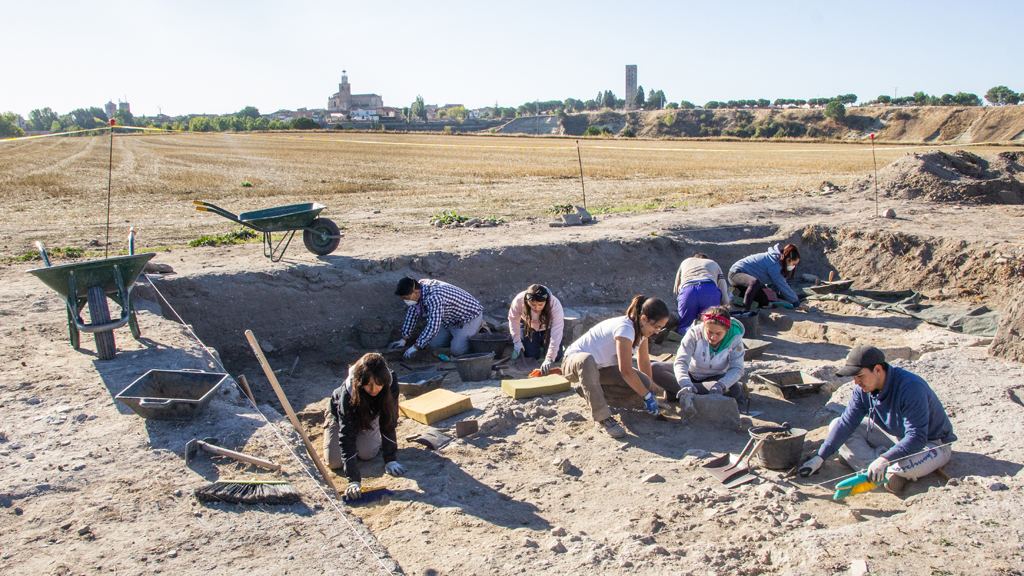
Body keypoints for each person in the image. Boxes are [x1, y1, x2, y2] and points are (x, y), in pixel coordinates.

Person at [798, 345, 956, 494]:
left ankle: (874, 464)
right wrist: (820, 457)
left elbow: (917, 436)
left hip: (931, 444)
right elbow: (846, 424)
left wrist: (885, 459)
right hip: (895, 437)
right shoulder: (863, 390)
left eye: (860, 376)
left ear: (878, 369)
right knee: (835, 425)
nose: (856, 382)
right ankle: (882, 470)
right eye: (854, 377)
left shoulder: (911, 388)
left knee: (906, 467)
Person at [562, 295, 670, 438]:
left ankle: (588, 390)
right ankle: (602, 418)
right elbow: (625, 371)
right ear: (643, 318)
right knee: (587, 359)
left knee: (644, 382)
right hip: (574, 363)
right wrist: (646, 396)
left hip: (600, 369)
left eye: (660, 329)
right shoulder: (625, 329)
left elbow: (643, 362)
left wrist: (651, 394)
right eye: (656, 327)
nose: (657, 332)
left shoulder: (642, 332)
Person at [322, 353, 408, 501]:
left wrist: (390, 460)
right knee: (334, 462)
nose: (374, 389)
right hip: (341, 418)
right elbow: (346, 434)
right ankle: (330, 429)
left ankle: (369, 436)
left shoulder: (390, 381)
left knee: (367, 454)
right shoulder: (347, 393)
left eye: (378, 384)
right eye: (368, 384)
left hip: (370, 416)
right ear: (360, 381)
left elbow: (389, 420)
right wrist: (353, 480)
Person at [652, 305, 746, 415]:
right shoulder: (694, 334)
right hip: (691, 372)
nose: (713, 337)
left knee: (735, 390)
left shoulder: (734, 339)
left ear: (726, 331)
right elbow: (681, 361)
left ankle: (680, 392)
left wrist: (721, 384)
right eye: (709, 332)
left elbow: (737, 368)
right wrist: (685, 383)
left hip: (715, 378)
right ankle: (691, 391)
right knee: (655, 369)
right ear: (704, 327)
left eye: (718, 334)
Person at [389, 277, 484, 358]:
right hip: (449, 319)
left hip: (468, 317)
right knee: (433, 345)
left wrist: (415, 347)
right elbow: (412, 313)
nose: (406, 301)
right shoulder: (420, 287)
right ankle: (457, 337)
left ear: (415, 292)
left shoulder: (434, 297)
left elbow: (433, 327)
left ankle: (480, 329)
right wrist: (403, 339)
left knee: (457, 351)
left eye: (406, 298)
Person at [729, 243, 808, 312]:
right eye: (793, 264)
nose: (793, 267)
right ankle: (745, 310)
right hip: (736, 274)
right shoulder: (774, 264)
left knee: (764, 302)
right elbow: (782, 285)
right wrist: (796, 303)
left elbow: (775, 286)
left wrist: (790, 296)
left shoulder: (778, 263)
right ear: (787, 260)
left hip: (747, 283)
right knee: (754, 282)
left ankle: (738, 293)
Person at [508, 284, 565, 375]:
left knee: (556, 357)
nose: (536, 308)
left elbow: (556, 332)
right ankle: (537, 343)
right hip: (529, 325)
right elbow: (513, 320)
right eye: (533, 304)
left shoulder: (555, 305)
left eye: (540, 305)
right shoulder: (519, 301)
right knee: (531, 356)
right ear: (527, 301)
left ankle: (545, 344)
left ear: (546, 302)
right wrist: (517, 342)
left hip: (548, 327)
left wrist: (550, 357)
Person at [672, 253, 730, 335]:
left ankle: (691, 329)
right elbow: (723, 288)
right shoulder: (713, 263)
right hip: (709, 290)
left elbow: (676, 288)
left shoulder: (685, 262)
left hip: (688, 291)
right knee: (712, 323)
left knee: (684, 326)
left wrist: (679, 306)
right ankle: (701, 328)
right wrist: (726, 308)